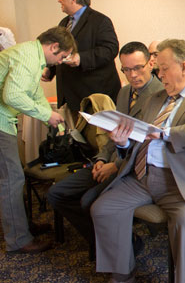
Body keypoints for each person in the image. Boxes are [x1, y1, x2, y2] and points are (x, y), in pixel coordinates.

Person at [91, 39, 185, 283]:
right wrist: (122, 142)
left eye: (163, 68)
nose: (159, 74)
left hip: (183, 182)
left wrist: (165, 134)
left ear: (184, 67)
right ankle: (123, 273)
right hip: (143, 177)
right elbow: (137, 139)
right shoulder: (155, 98)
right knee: (102, 209)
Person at [47, 41, 163, 252]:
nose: (133, 75)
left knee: (88, 202)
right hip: (109, 159)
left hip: (132, 169)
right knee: (56, 194)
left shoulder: (162, 95)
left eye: (138, 68)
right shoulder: (124, 92)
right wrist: (101, 159)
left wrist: (116, 166)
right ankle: (112, 241)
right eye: (126, 70)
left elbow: (145, 146)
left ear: (151, 63)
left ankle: (119, 245)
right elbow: (113, 134)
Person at [0, 26, 75, 253]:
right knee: (12, 181)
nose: (61, 62)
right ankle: (19, 240)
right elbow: (12, 95)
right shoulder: (27, 57)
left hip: (4, 120)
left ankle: (21, 226)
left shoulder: (31, 55)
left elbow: (33, 94)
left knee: (14, 178)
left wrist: (51, 120)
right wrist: (46, 115)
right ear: (53, 47)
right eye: (62, 56)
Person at [44, 0, 121, 121]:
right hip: (71, 96)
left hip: (93, 97)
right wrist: (51, 70)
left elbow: (110, 49)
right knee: (78, 141)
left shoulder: (100, 21)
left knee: (97, 141)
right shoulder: (64, 23)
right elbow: (62, 52)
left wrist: (81, 58)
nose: (58, 0)